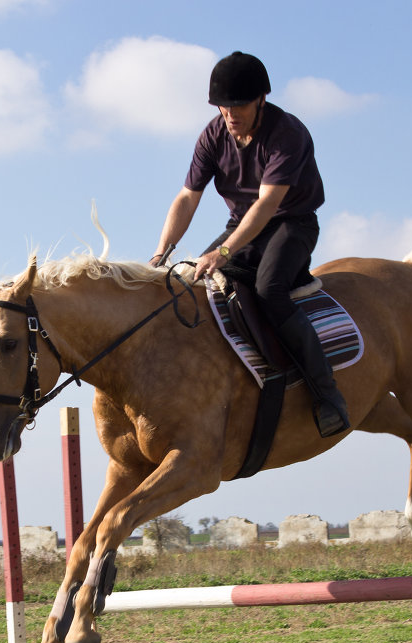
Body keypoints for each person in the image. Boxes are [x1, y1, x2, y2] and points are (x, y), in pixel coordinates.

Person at [151, 51, 349, 438]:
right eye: (223, 105)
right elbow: (187, 197)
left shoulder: (288, 134)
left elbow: (268, 205)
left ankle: (327, 395)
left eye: (239, 104)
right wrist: (162, 253)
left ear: (261, 99)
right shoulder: (212, 134)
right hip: (242, 224)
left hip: (291, 224)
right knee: (197, 284)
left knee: (268, 290)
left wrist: (222, 252)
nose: (230, 112)